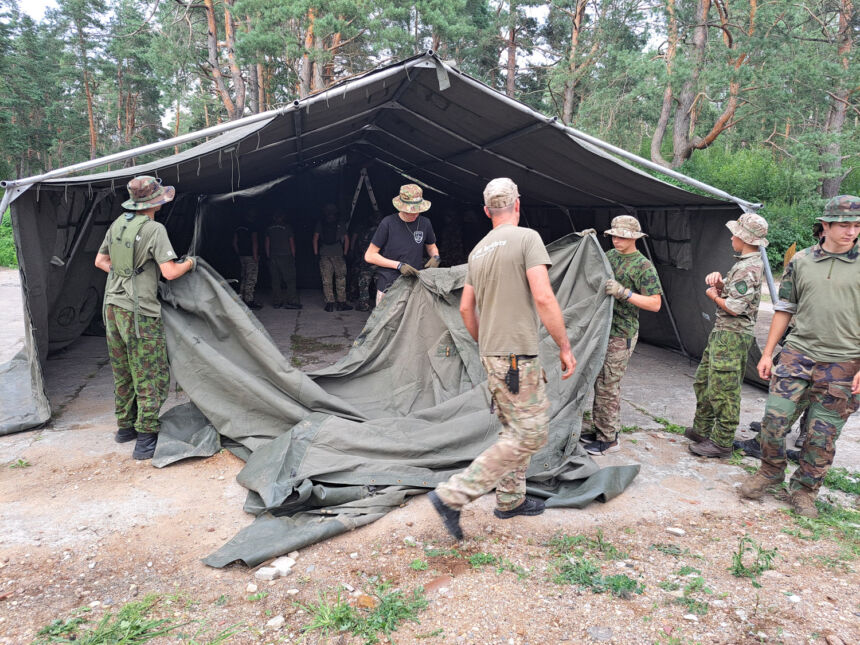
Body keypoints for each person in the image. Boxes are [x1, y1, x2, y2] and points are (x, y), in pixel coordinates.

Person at [427, 178, 576, 540]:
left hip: (496, 355)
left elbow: (466, 308)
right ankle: (452, 496)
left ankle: (510, 499)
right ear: (518, 205)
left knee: (515, 429)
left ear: (486, 211)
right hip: (516, 355)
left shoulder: (478, 251)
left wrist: (487, 344)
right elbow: (543, 297)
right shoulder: (527, 238)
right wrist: (565, 346)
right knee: (531, 432)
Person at [739, 195, 860, 518]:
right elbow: (785, 308)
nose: (852, 232)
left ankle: (804, 490)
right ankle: (770, 471)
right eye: (845, 225)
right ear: (826, 225)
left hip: (844, 364)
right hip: (797, 355)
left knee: (822, 436)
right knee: (774, 422)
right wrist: (767, 353)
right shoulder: (802, 261)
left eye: (857, 225)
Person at [93, 176, 195, 460]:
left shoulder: (117, 224)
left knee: (123, 369)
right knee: (150, 372)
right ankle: (146, 439)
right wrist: (191, 262)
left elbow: (100, 262)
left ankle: (125, 428)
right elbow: (170, 272)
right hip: (139, 312)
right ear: (155, 202)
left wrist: (123, 274)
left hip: (112, 306)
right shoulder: (154, 229)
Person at [685, 213, 768, 458]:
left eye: (735, 233)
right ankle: (702, 429)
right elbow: (736, 296)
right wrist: (721, 285)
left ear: (743, 237)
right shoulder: (743, 264)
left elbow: (734, 308)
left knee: (724, 389)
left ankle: (722, 441)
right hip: (723, 334)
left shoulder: (749, 267)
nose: (731, 237)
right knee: (704, 381)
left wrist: (713, 296)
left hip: (733, 336)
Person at [581, 216, 662, 456]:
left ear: (634, 238)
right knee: (599, 381)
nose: (617, 240)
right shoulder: (611, 256)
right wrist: (586, 245)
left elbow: (655, 303)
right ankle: (601, 430)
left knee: (608, 385)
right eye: (614, 236)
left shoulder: (642, 265)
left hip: (621, 333)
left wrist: (624, 293)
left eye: (622, 237)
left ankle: (609, 439)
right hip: (602, 329)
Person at [364, 184, 441, 304]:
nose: (415, 214)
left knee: (413, 321)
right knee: (387, 322)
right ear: (401, 207)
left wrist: (435, 256)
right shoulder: (388, 223)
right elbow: (370, 256)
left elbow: (431, 246)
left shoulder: (425, 223)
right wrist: (398, 265)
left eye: (418, 210)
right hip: (389, 284)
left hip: (414, 284)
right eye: (411, 211)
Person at [313, 203, 352, 312]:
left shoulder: (320, 223)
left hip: (324, 254)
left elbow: (315, 239)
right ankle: (341, 303)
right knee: (340, 279)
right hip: (338, 254)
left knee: (327, 280)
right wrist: (345, 252)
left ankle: (329, 304)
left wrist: (316, 254)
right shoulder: (341, 223)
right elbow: (346, 239)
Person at [265, 213, 301, 310]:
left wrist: (268, 256)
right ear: (283, 217)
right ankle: (292, 301)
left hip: (273, 256)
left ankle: (277, 302)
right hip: (286, 256)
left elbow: (267, 243)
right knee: (290, 280)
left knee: (275, 280)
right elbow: (291, 242)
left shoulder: (269, 228)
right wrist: (293, 256)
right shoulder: (287, 227)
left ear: (274, 217)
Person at [351, 211, 383, 311]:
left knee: (364, 284)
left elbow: (361, 245)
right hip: (381, 262)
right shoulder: (385, 232)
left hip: (367, 262)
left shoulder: (367, 232)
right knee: (381, 285)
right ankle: (381, 307)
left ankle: (364, 305)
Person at [233, 213, 262, 309]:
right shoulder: (252, 227)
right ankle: (249, 300)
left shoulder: (238, 228)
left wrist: (239, 253)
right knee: (251, 278)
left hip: (242, 255)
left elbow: (235, 242)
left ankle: (241, 298)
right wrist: (255, 256)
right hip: (250, 256)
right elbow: (255, 242)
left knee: (244, 277)